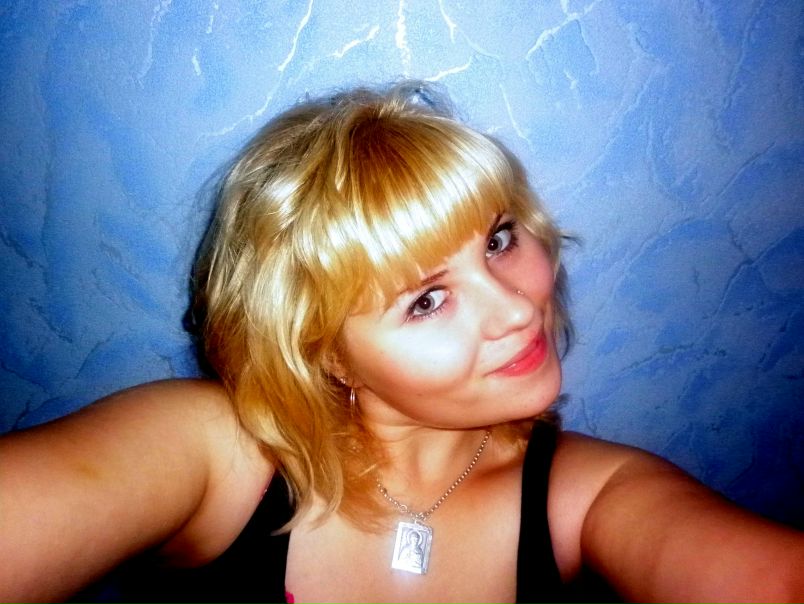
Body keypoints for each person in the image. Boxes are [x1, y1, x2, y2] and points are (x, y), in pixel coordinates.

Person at [0, 81, 801, 604]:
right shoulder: (220, 455)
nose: (517, 308)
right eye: (426, 300)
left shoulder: (591, 493)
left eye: (498, 240)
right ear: (324, 351)